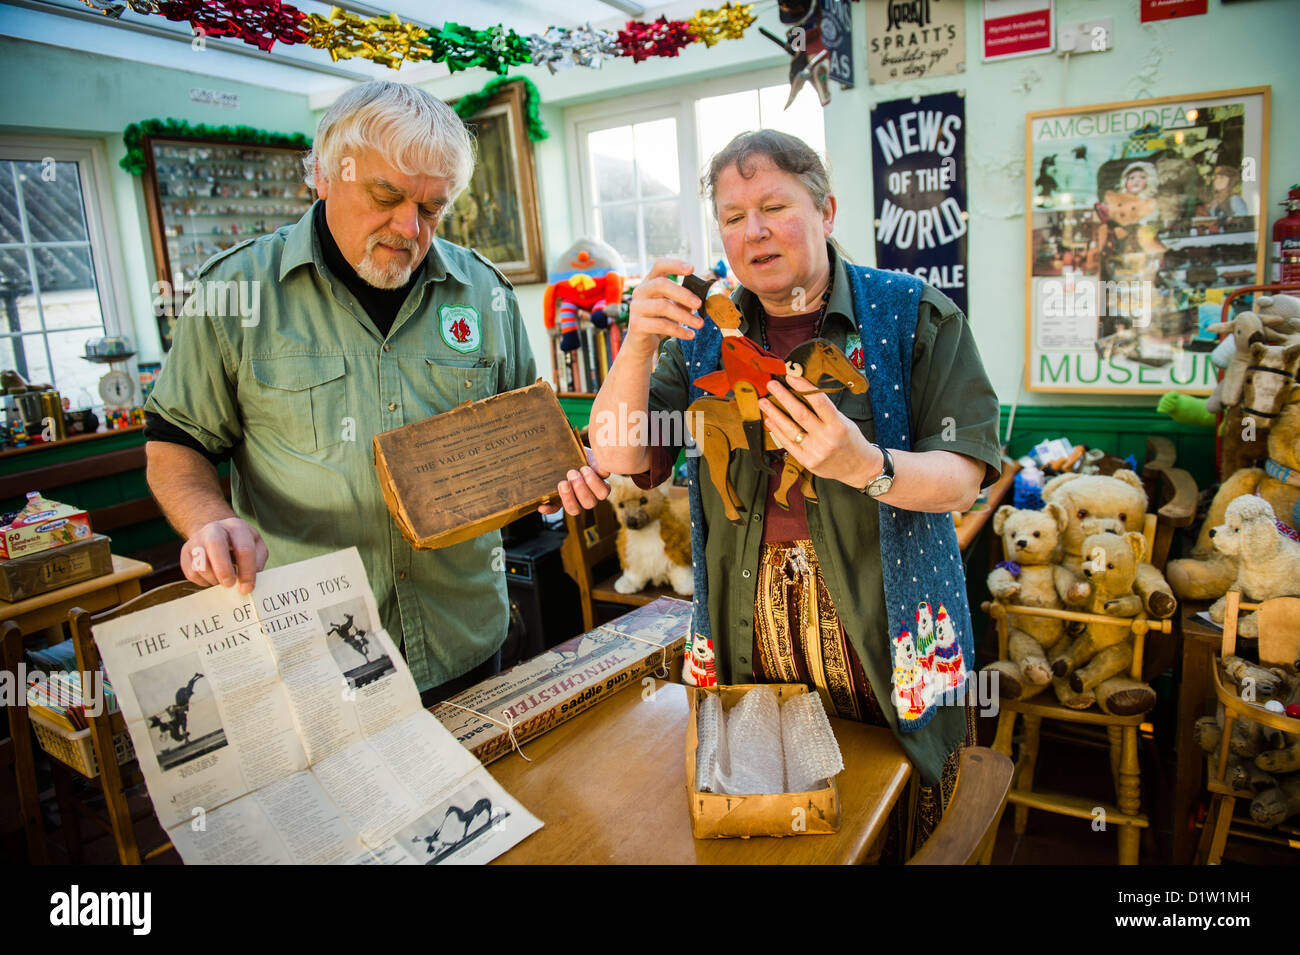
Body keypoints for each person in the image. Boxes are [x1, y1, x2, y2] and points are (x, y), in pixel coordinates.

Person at [590, 130, 1001, 846]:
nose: (753, 231)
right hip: (748, 627)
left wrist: (864, 463)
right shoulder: (699, 333)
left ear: (827, 209)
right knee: (767, 816)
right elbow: (623, 452)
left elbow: (962, 480)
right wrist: (637, 343)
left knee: (902, 814)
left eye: (774, 206)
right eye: (732, 215)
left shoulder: (912, 312)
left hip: (887, 624)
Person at [144, 81, 607, 704]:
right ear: (324, 176)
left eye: (433, 208)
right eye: (386, 196)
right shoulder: (236, 291)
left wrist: (559, 483)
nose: (409, 227)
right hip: (315, 655)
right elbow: (175, 443)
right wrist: (210, 522)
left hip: (465, 639)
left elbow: (529, 437)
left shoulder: (484, 291)